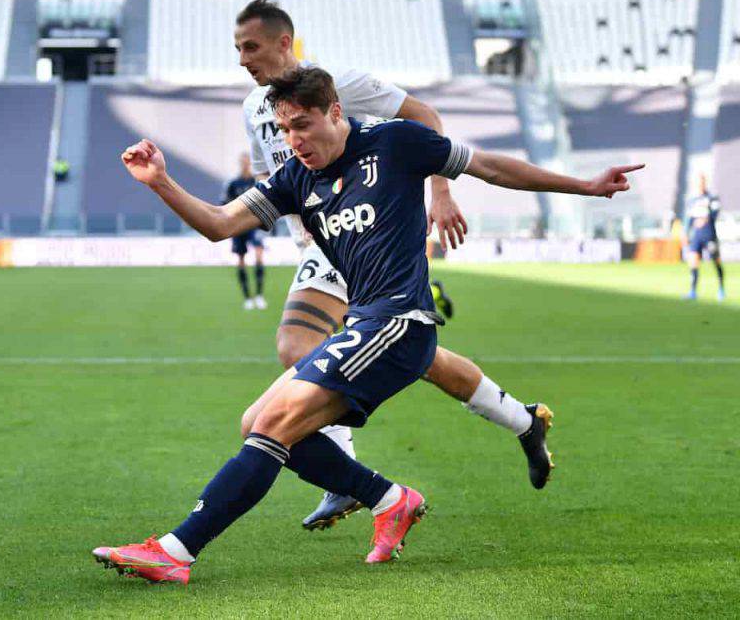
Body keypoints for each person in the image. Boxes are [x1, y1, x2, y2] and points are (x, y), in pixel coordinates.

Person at [94, 67, 642, 584]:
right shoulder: (293, 178)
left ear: (335, 112)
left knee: (275, 424)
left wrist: (586, 187)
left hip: (401, 321)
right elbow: (219, 225)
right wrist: (160, 182)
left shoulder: (397, 142)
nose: (293, 140)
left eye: (302, 125)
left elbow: (490, 166)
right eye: (284, 129)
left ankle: (175, 552)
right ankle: (388, 499)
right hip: (366, 323)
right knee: (255, 421)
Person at [234, 0, 544, 530]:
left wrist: (440, 192)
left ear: (285, 43)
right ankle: (523, 421)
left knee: (295, 345)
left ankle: (344, 480)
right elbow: (273, 180)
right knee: (418, 358)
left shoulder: (340, 85)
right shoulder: (251, 110)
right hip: (324, 247)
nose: (242, 59)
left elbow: (423, 118)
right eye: (238, 48)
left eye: (251, 47)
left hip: (367, 231)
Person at [223, 153, 267, 309]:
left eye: (247, 161)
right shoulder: (234, 184)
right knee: (241, 260)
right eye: (242, 162)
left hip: (254, 224)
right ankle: (248, 297)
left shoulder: (256, 182)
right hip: (237, 226)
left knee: (259, 254)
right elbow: (224, 204)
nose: (245, 164)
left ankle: (260, 295)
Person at [684, 173, 725, 301]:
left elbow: (715, 213)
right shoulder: (692, 200)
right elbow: (689, 219)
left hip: (709, 234)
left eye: (702, 181)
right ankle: (693, 291)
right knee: (693, 262)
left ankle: (721, 288)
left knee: (716, 261)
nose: (700, 184)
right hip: (696, 235)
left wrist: (705, 219)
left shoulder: (711, 197)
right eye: (698, 182)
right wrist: (685, 233)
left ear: (705, 182)